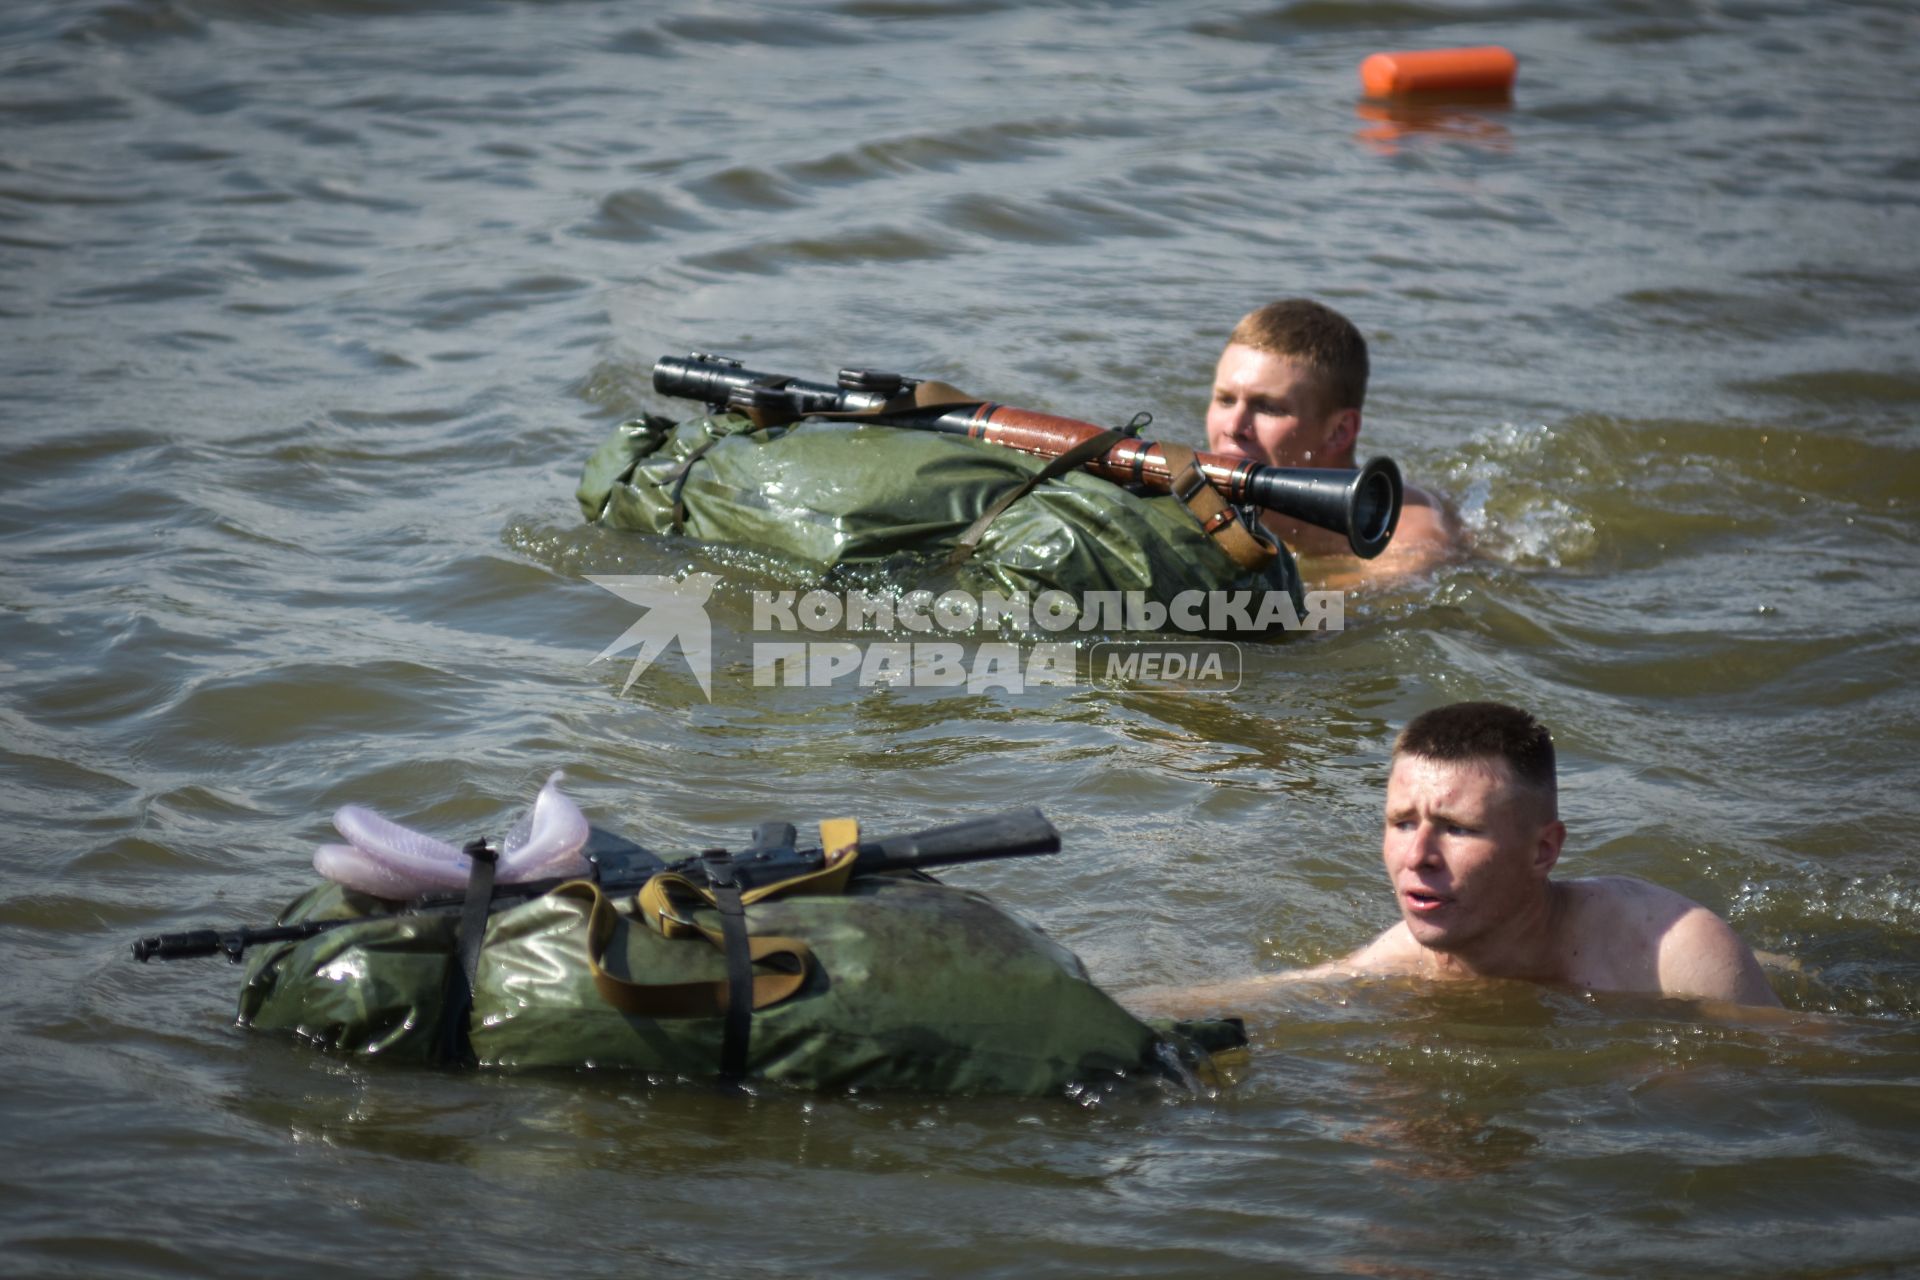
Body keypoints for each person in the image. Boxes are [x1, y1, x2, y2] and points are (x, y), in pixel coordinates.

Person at [1133, 702, 1783, 1012]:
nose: (1417, 856)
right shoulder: (1409, 952)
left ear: (1544, 849)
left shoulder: (1677, 957)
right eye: (1400, 822)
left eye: (1456, 829)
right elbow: (1269, 997)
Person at [1204, 298, 1459, 582]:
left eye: (1268, 407)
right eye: (1225, 400)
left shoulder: (1403, 537)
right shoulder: (1188, 488)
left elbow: (1318, 619)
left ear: (1339, 431)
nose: (1234, 427)